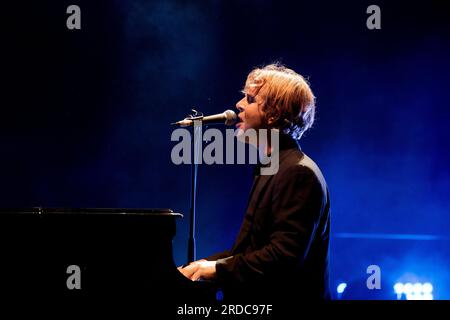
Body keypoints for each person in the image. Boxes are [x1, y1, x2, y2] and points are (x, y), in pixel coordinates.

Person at [178, 63, 331, 301]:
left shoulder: (298, 173)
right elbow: (249, 251)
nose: (238, 105)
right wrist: (202, 265)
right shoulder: (272, 167)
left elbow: (283, 257)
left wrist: (216, 270)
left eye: (249, 99)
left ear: (273, 113)